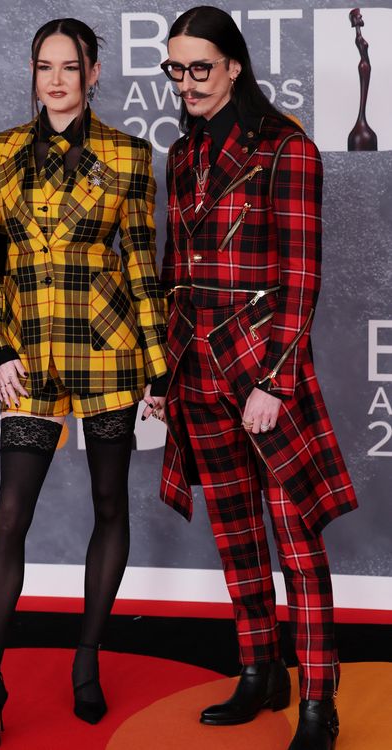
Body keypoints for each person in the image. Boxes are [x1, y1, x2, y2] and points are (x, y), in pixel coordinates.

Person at [0, 18, 168, 750]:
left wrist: (158, 366)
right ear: (33, 71)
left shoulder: (128, 155)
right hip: (33, 358)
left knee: (109, 503)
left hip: (109, 355)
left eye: (69, 67)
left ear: (94, 73)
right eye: (44, 66)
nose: (55, 80)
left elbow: (143, 264)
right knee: (8, 516)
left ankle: (87, 659)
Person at [158, 7, 357, 750]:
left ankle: (317, 702)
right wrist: (164, 367)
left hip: (262, 376)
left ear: (234, 66)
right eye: (175, 70)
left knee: (294, 541)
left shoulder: (286, 150)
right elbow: (175, 270)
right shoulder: (180, 157)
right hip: (197, 372)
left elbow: (301, 279)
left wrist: (274, 382)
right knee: (235, 536)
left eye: (199, 68)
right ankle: (257, 672)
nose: (186, 83)